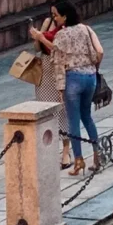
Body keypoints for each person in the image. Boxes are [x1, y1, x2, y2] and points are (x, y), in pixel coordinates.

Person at [29, 0, 104, 176]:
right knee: (87, 117)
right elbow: (99, 52)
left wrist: (60, 89)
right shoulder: (85, 29)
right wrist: (94, 69)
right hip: (90, 77)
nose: (54, 18)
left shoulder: (62, 35)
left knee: (73, 122)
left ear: (65, 16)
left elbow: (57, 58)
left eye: (56, 15)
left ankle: (78, 160)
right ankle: (97, 155)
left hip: (73, 79)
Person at [32, 11, 71, 168]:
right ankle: (49, 149)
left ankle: (66, 151)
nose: (54, 16)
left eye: (57, 13)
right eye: (53, 13)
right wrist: (37, 37)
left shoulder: (68, 27)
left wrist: (42, 37)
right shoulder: (47, 22)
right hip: (46, 67)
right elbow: (37, 48)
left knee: (63, 110)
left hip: (61, 68)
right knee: (45, 109)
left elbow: (59, 49)